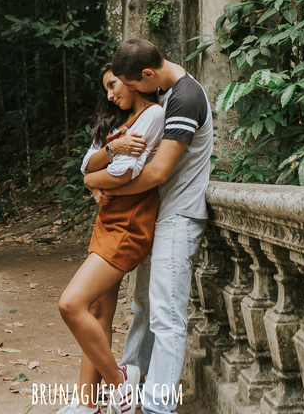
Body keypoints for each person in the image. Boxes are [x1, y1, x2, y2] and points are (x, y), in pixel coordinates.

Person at [95, 38, 213, 414]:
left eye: (133, 85)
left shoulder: (185, 98)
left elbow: (159, 171)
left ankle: (158, 406)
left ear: (147, 74)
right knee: (144, 307)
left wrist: (108, 187)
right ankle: (130, 385)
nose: (131, 92)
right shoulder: (165, 94)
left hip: (180, 215)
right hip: (158, 216)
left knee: (167, 314)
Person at [57, 64, 165, 414]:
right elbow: (86, 163)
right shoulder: (117, 125)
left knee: (71, 304)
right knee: (98, 310)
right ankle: (87, 404)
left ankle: (119, 383)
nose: (109, 94)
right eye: (106, 87)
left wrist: (94, 180)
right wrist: (111, 150)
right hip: (108, 222)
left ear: (133, 80)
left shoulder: (152, 115)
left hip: (128, 225)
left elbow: (122, 172)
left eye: (113, 84)